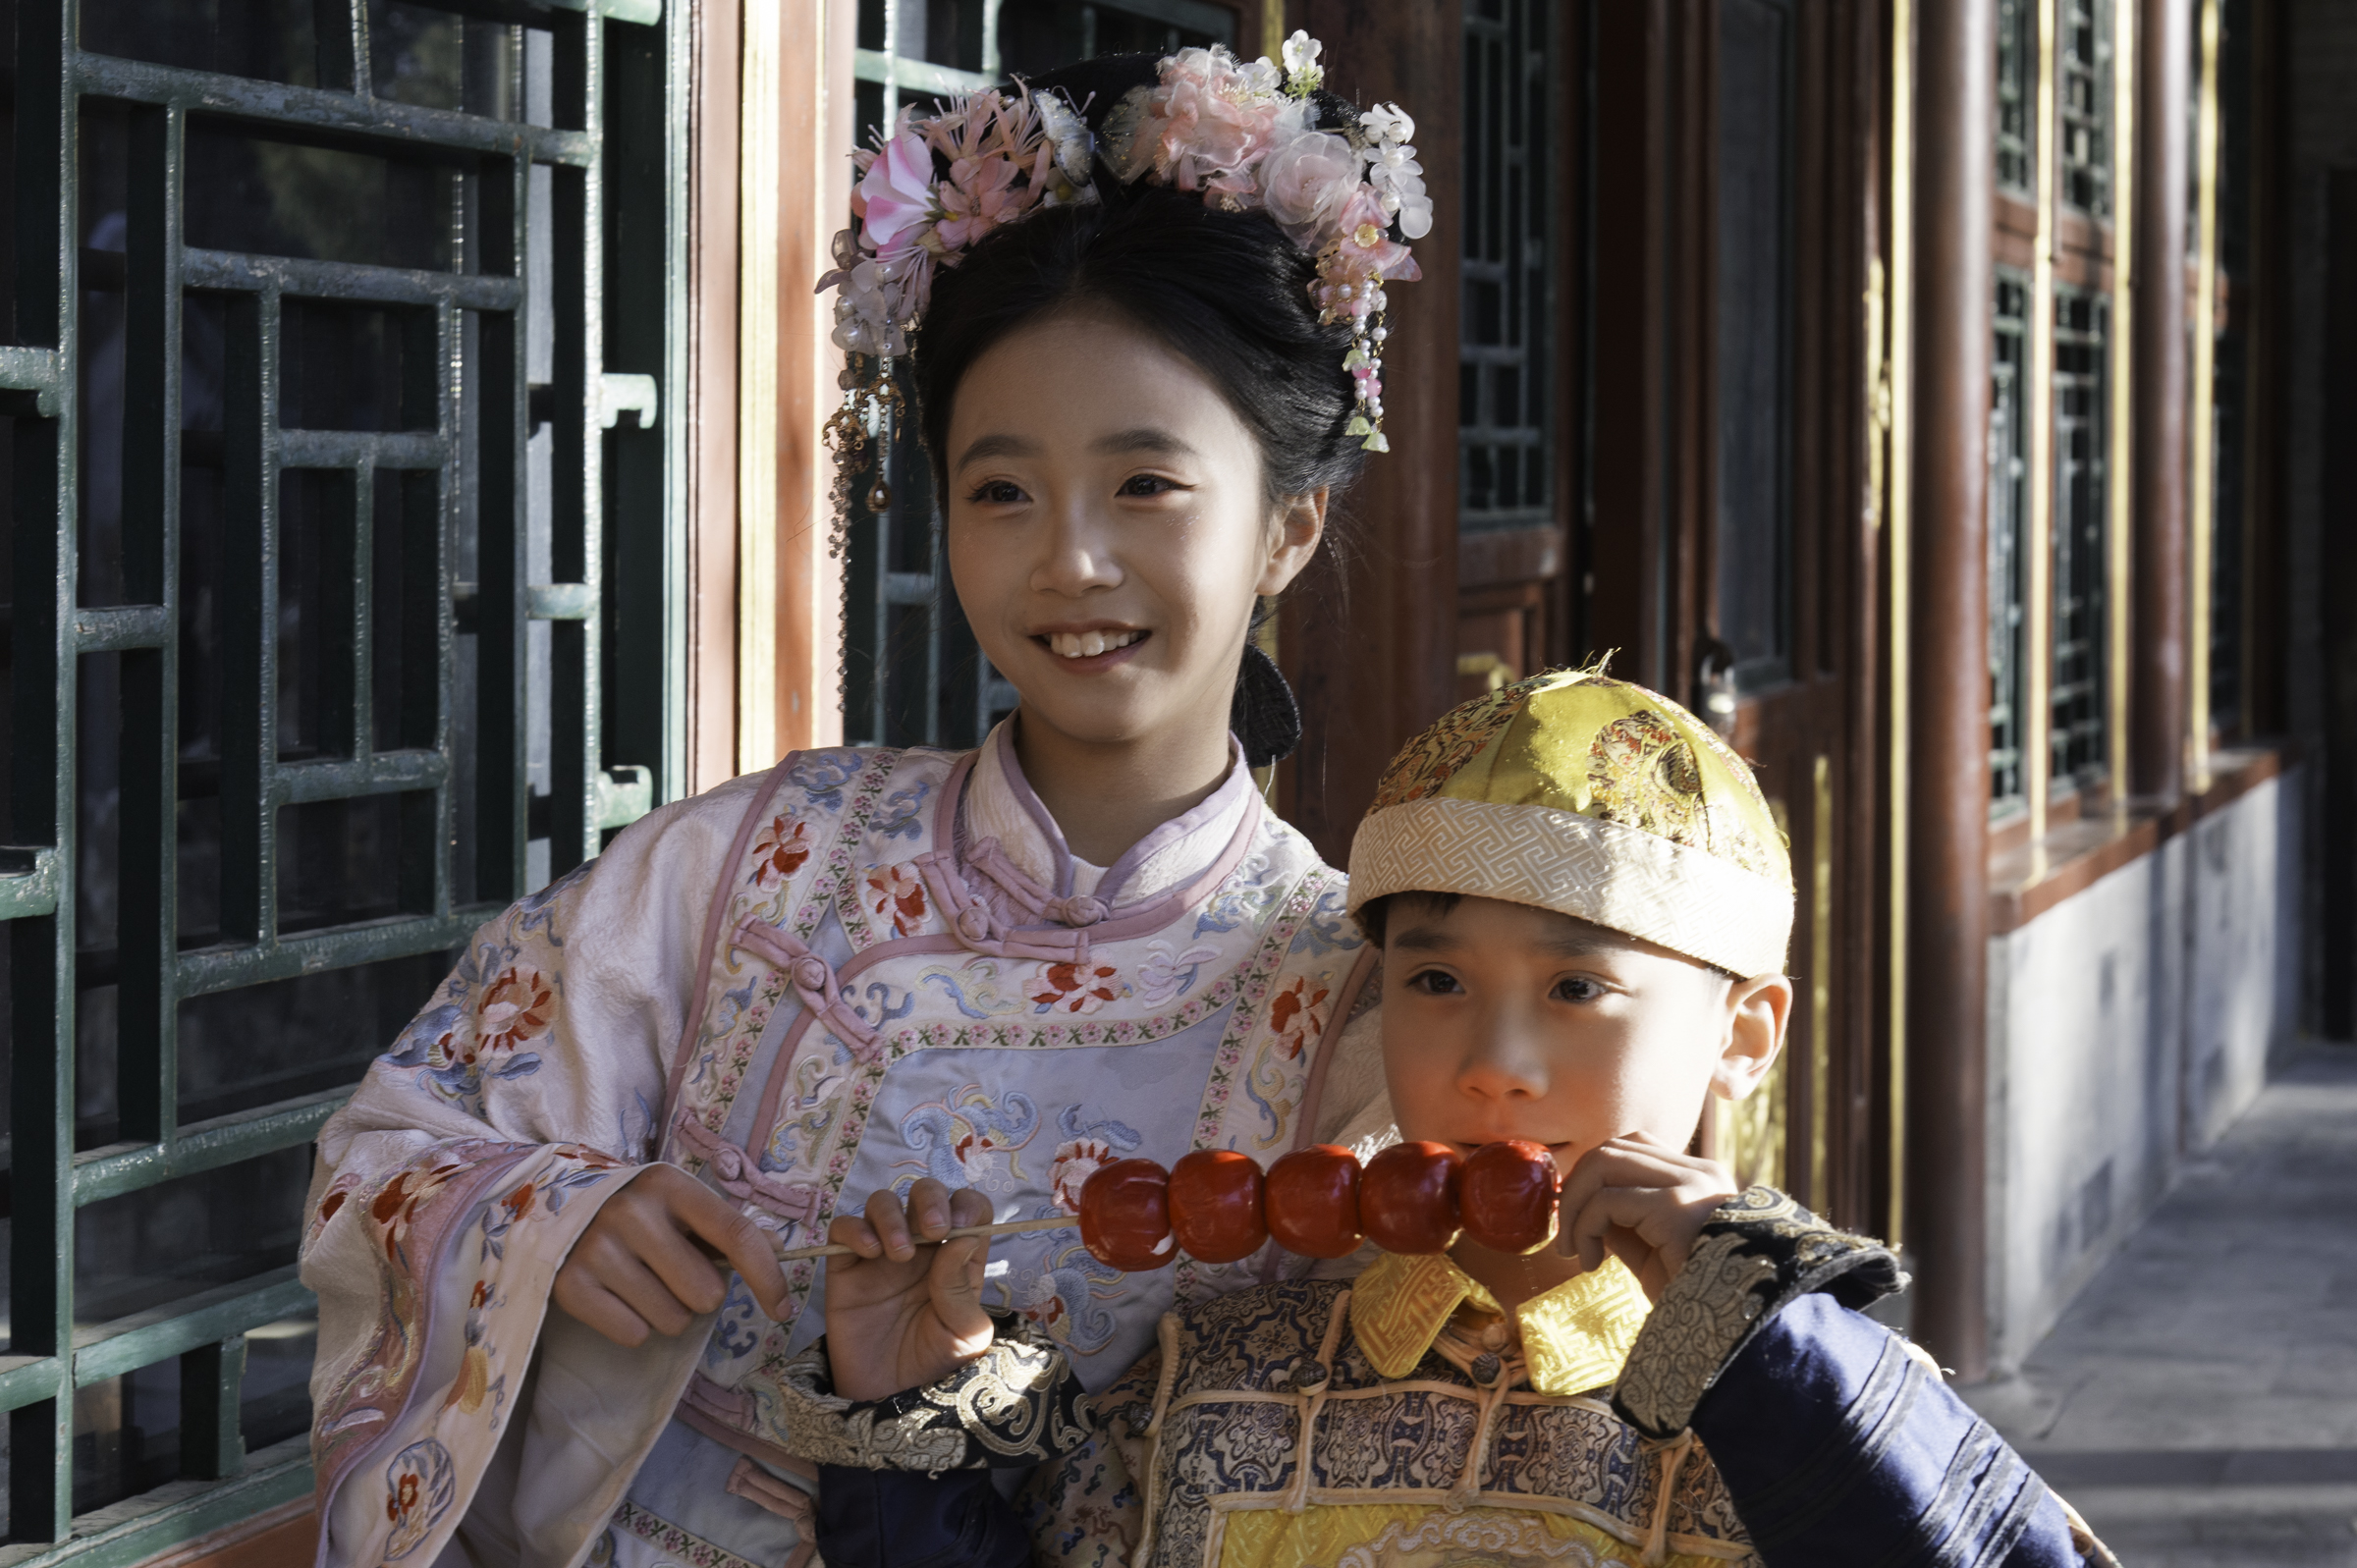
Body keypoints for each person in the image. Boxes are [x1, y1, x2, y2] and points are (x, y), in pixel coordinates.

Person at [299, 36, 1430, 1568]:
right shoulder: (755, 861)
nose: (1070, 562)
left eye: (1147, 486)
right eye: (1002, 488)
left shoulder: (1343, 1007)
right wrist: (555, 1222)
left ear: (1290, 525)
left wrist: (935, 1410)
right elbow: (392, 1140)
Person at [798, 669, 2123, 1567]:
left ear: (1745, 1033)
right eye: (1436, 978)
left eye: (1576, 986)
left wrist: (1763, 1342)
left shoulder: (1820, 1411)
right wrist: (917, 1415)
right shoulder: (1208, 1373)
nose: (1496, 1063)